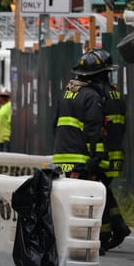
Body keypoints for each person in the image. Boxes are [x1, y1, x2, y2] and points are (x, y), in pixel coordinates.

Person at [92, 48, 132, 251]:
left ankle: (105, 233)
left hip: (103, 154)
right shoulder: (116, 93)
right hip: (116, 154)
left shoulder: (99, 95)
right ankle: (118, 225)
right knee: (104, 190)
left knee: (96, 191)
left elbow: (97, 127)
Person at [52, 51, 107, 179]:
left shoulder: (66, 93)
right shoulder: (91, 96)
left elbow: (55, 125)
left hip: (61, 158)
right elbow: (93, 130)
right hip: (80, 161)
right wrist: (96, 157)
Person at [0, 87, 12, 151]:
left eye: (0, 97)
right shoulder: (3, 107)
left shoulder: (9, 106)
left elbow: (11, 122)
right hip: (1, 139)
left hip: (6, 139)